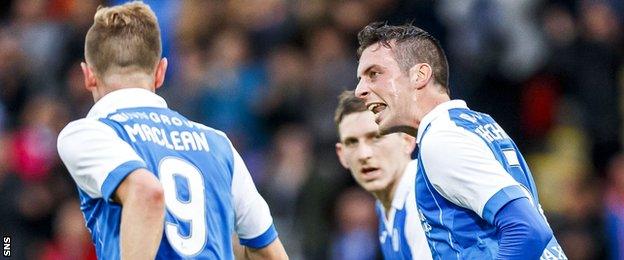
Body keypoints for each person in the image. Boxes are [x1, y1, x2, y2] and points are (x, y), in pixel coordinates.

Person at [56, 2, 287, 259]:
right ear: (160, 72)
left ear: (88, 76)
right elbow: (268, 252)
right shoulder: (218, 144)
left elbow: (146, 192)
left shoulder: (90, 133)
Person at [354, 22, 567, 259]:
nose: (359, 90)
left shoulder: (442, 139)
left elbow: (528, 229)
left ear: (419, 75)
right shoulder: (475, 124)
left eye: (374, 74)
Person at [334, 90, 432, 259]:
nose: (364, 154)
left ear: (407, 140)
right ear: (342, 155)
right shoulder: (385, 206)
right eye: (352, 142)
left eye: (376, 137)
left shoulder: (424, 201)